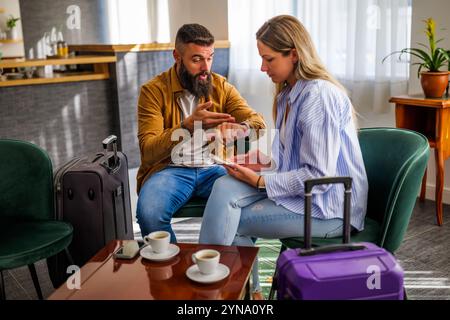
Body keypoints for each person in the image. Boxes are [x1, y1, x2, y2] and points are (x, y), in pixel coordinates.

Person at [198, 15, 368, 299]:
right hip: (308, 196)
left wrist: (261, 181)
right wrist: (261, 161)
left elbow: (320, 177)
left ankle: (210, 293)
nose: (262, 67)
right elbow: (292, 158)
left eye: (269, 59)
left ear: (294, 54)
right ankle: (248, 295)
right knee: (222, 186)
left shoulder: (318, 97)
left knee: (229, 220)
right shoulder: (288, 95)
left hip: (331, 208)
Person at [136, 23, 266, 242]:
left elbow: (258, 123)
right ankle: (172, 270)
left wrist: (239, 130)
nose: (206, 67)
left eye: (210, 57)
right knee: (149, 214)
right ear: (177, 56)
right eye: (196, 59)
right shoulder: (153, 91)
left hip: (215, 166)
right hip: (171, 169)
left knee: (252, 207)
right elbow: (148, 151)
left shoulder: (220, 86)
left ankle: (234, 269)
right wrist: (186, 126)